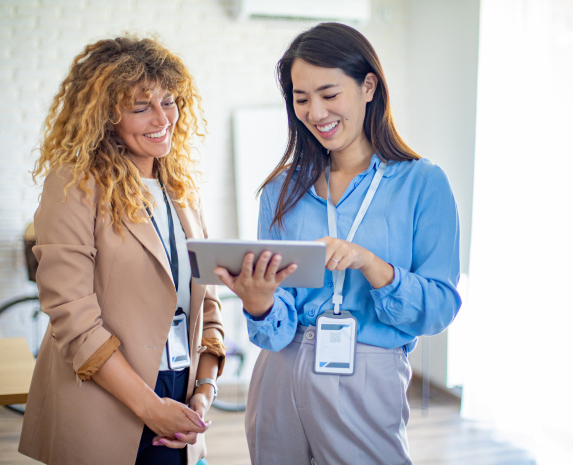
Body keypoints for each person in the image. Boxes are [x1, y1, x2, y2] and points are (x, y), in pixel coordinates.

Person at [215, 22, 461, 465]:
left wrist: (373, 266)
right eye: (301, 98)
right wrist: (260, 304)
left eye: (329, 95)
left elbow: (440, 307)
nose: (315, 112)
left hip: (368, 372)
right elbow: (276, 327)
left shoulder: (424, 184)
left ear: (369, 86)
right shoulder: (280, 190)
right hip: (280, 374)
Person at [18, 36, 225, 465]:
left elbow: (209, 305)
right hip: (107, 404)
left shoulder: (183, 191)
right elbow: (74, 321)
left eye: (169, 101)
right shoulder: (73, 186)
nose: (162, 118)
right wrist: (151, 408)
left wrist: (204, 393)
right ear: (105, 115)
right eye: (140, 107)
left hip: (181, 396)